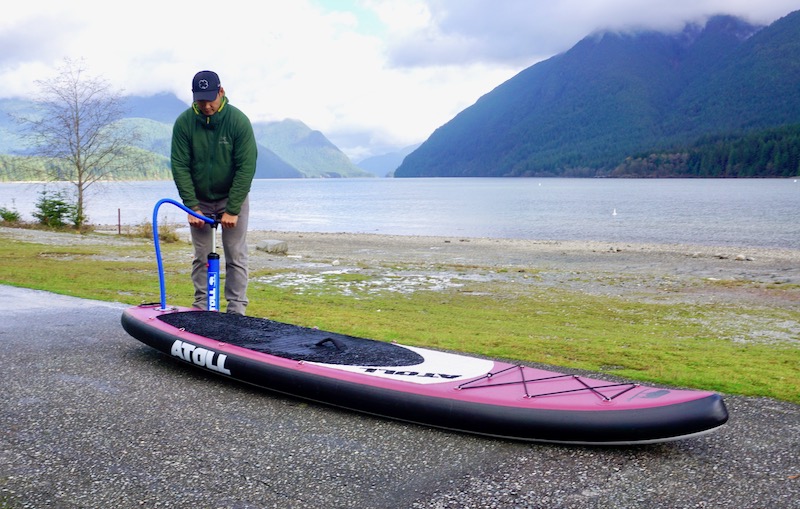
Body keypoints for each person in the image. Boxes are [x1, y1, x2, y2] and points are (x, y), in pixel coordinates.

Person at [170, 70, 257, 315]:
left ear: (221, 92)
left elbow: (246, 167)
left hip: (232, 197)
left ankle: (236, 311)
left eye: (211, 99)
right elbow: (180, 166)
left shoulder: (237, 121)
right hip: (199, 200)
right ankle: (201, 308)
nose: (207, 106)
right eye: (201, 100)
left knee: (235, 254)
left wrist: (232, 209)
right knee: (201, 256)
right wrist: (192, 206)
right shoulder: (185, 123)